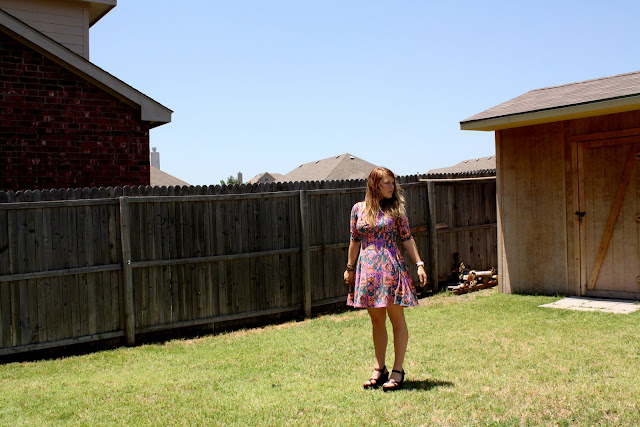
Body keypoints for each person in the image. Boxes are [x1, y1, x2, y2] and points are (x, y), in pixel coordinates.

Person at [344, 167, 428, 392]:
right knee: (376, 321)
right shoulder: (358, 209)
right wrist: (350, 267)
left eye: (393, 182)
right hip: (367, 270)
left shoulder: (395, 209)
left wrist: (419, 264)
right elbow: (354, 239)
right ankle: (379, 368)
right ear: (375, 185)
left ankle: (398, 370)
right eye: (387, 183)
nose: (392, 187)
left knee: (396, 319)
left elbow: (407, 238)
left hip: (390, 268)